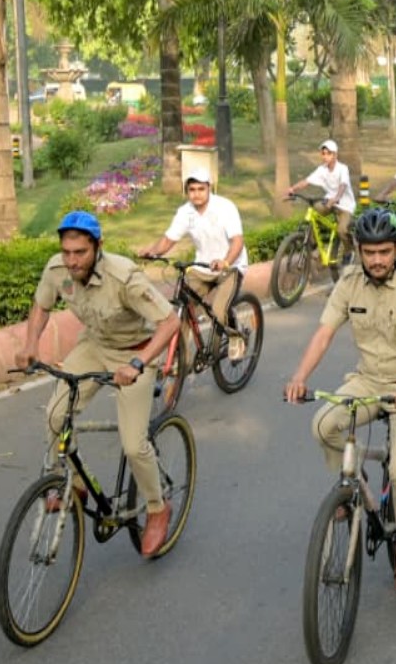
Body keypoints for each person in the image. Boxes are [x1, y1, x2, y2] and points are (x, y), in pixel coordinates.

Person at [285, 208, 396, 599]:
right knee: (322, 425)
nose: (376, 260)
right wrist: (299, 376)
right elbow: (323, 334)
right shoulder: (349, 283)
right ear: (358, 249)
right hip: (366, 381)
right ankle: (355, 477)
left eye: (384, 252)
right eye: (369, 252)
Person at [19, 211, 184, 556]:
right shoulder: (57, 270)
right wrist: (30, 344)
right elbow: (40, 305)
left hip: (135, 352)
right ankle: (74, 486)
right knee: (54, 415)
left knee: (133, 445)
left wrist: (139, 363)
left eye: (80, 252)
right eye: (67, 252)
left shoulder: (124, 277)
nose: (72, 260)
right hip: (94, 345)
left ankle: (157, 508)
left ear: (98, 247)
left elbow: (170, 323)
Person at [138, 166, 248, 359]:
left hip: (230, 267)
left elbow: (237, 241)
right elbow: (169, 239)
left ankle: (235, 336)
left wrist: (225, 261)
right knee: (182, 309)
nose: (196, 194)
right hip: (202, 267)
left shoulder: (225, 207)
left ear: (209, 188)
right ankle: (183, 361)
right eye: (192, 190)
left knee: (219, 310)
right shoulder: (185, 212)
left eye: (200, 189)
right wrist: (153, 251)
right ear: (187, 191)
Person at [291, 138, 357, 251]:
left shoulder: (342, 169)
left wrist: (336, 198)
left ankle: (349, 252)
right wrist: (292, 189)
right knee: (313, 211)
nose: (325, 156)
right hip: (329, 202)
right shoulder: (321, 170)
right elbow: (306, 181)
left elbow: (343, 185)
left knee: (342, 231)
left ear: (335, 155)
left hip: (345, 206)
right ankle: (313, 242)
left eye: (328, 154)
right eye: (323, 153)